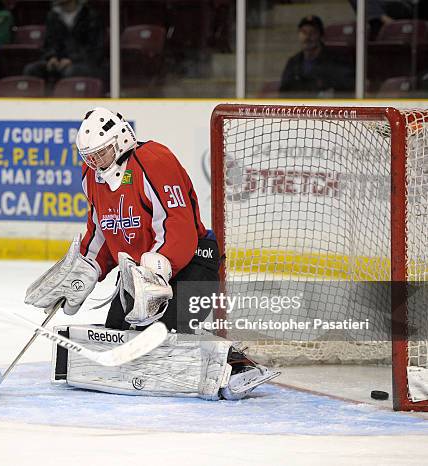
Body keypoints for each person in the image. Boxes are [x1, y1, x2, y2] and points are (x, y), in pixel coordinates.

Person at [25, 108, 279, 401]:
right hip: (140, 276)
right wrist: (85, 269)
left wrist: (160, 268)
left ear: (121, 140)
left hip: (193, 264)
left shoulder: (153, 160)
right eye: (89, 156)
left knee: (160, 336)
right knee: (118, 336)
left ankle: (237, 364)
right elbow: (101, 233)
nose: (95, 162)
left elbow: (178, 225)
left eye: (101, 153)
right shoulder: (92, 178)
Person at [23, 0, 104, 87]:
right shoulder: (53, 16)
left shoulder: (91, 16)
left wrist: (72, 60)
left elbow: (94, 49)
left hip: (84, 62)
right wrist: (52, 57)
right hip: (59, 61)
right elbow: (49, 43)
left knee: (71, 71)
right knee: (31, 69)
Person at [279, 15, 354, 98]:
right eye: (304, 32)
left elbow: (346, 89)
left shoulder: (335, 61)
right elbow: (283, 93)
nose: (307, 37)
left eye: (312, 32)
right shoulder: (293, 63)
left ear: (321, 36)